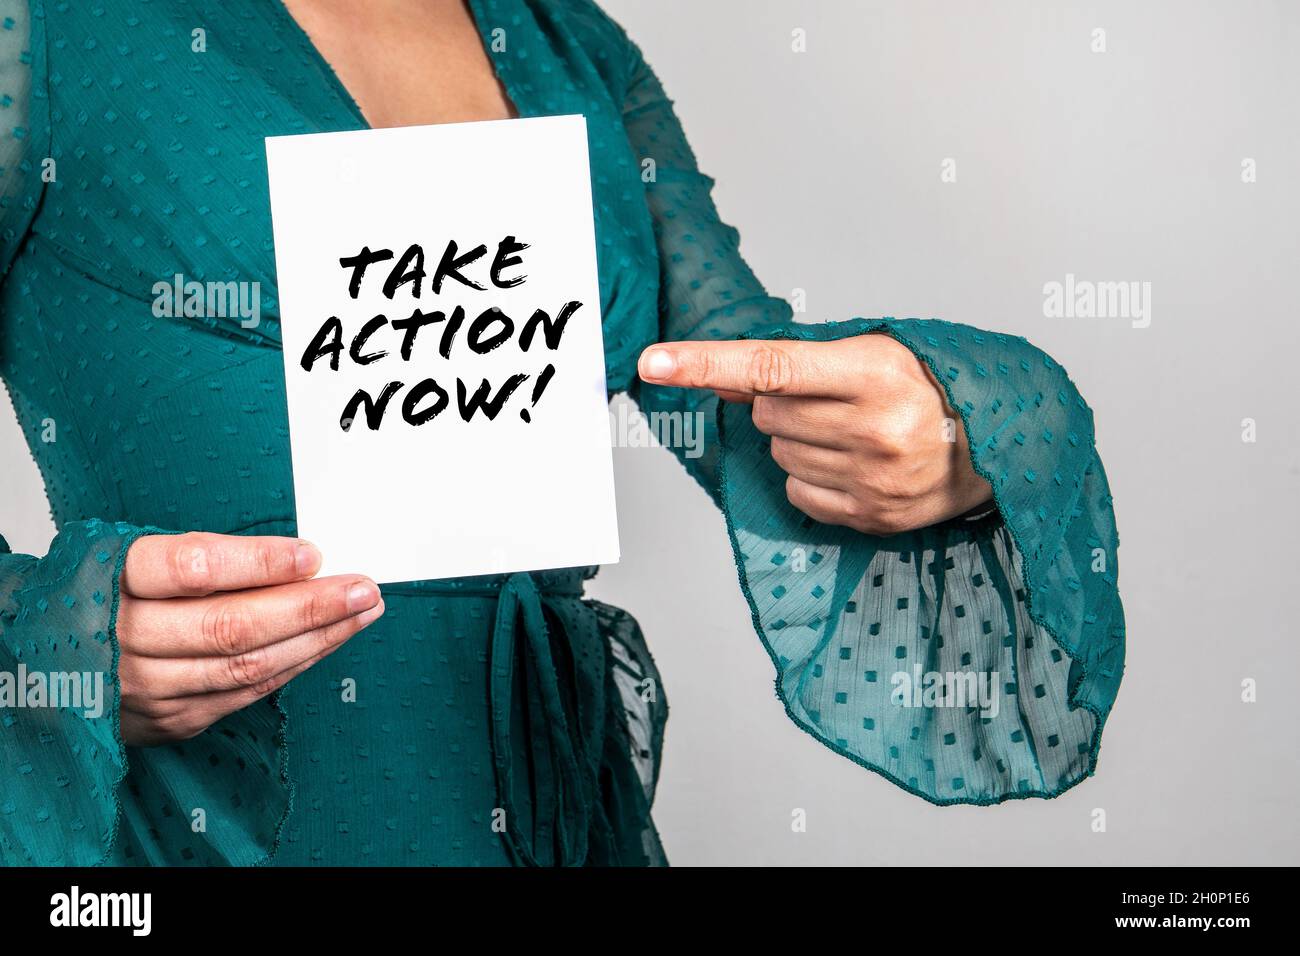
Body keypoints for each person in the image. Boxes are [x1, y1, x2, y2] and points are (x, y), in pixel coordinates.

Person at [0, 0, 1124, 866]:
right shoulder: (40, 26)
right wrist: (48, 639)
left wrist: (953, 424)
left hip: (552, 813)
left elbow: (750, 392)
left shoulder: (568, 45)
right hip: (230, 823)